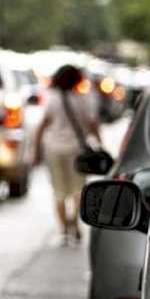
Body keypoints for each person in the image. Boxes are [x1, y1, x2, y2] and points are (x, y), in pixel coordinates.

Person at [33, 65, 102, 244]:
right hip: (76, 150)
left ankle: (63, 229)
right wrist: (101, 145)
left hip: (54, 150)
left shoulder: (52, 99)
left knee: (59, 191)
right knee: (78, 190)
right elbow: (92, 124)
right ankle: (74, 223)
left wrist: (35, 151)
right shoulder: (82, 100)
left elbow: (42, 126)